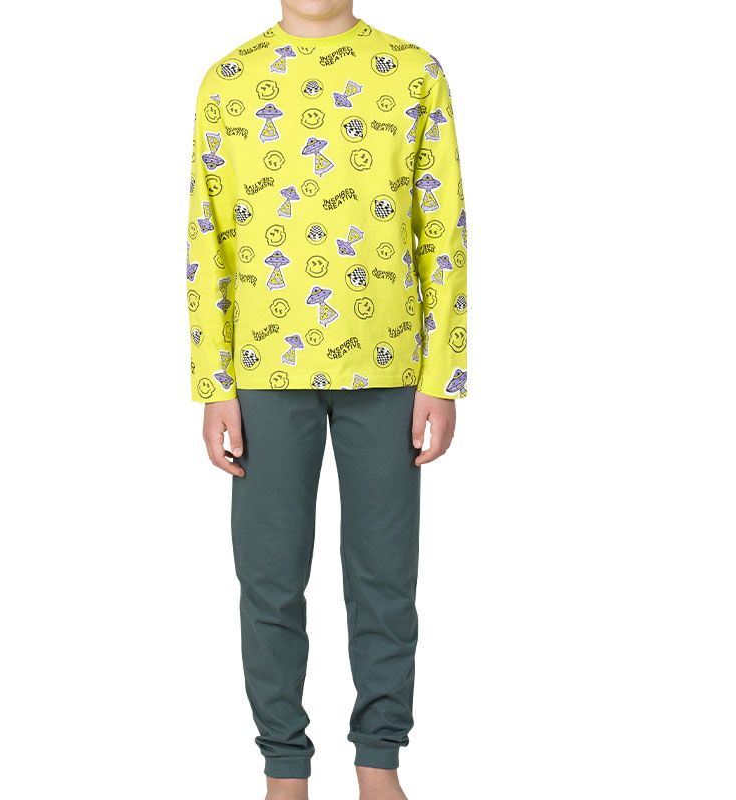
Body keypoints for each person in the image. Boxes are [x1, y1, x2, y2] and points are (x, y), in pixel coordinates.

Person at [186, 1, 467, 797]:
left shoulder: (413, 72)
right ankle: (284, 767)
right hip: (264, 374)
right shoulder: (229, 80)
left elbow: (441, 228)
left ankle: (379, 760)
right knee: (270, 579)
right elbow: (207, 236)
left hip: (390, 370)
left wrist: (442, 375)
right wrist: (214, 385)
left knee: (385, 578)